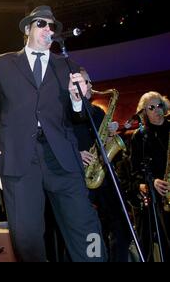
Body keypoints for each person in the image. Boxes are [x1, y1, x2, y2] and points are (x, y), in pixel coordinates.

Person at [0, 5, 106, 262]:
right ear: (27, 29)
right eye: (42, 24)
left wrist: (77, 99)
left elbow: (79, 116)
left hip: (61, 157)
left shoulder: (66, 64)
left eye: (52, 26)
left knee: (85, 226)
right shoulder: (3, 63)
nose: (49, 29)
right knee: (26, 236)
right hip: (20, 158)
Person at [72, 70, 131, 262]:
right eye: (86, 81)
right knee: (89, 231)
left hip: (105, 176)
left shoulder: (97, 112)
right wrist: (77, 154)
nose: (90, 85)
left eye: (89, 81)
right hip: (82, 178)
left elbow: (104, 142)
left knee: (122, 224)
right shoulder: (67, 112)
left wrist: (111, 134)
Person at [129, 91, 170, 261]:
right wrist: (152, 182)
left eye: (159, 105)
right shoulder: (139, 137)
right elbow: (134, 171)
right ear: (144, 112)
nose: (157, 110)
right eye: (151, 107)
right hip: (159, 198)